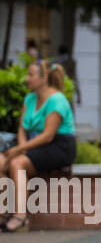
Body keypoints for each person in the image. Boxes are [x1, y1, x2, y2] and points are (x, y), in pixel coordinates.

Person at [0, 59, 77, 232]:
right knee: (0, 161)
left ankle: (20, 216)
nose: (26, 79)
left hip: (59, 146)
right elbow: (22, 128)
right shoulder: (29, 98)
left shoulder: (57, 100)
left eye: (30, 75)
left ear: (44, 79)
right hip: (35, 144)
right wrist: (22, 146)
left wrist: (20, 151)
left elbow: (48, 135)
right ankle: (3, 214)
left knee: (16, 163)